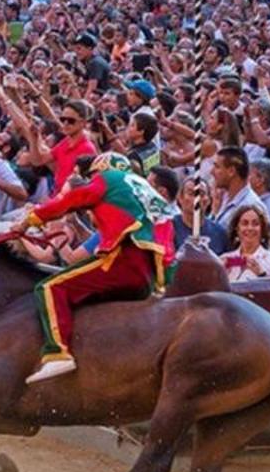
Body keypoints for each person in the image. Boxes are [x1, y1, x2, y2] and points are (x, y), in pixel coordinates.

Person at [13, 153, 177, 383]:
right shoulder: (145, 190)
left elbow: (72, 200)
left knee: (49, 287)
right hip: (148, 274)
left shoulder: (109, 178)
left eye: (93, 176)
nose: (92, 180)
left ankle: (57, 353)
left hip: (123, 261)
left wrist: (31, 219)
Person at [221, 206, 270, 283]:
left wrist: (261, 274)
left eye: (255, 224)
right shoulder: (225, 259)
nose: (250, 228)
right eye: (245, 223)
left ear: (262, 229)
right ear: (237, 229)